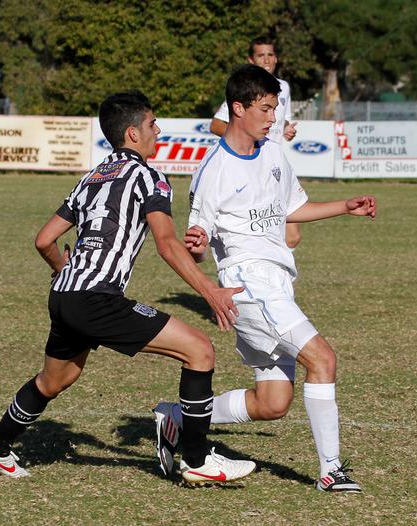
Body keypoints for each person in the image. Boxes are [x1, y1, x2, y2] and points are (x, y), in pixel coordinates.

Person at [0, 91, 256, 486]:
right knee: (200, 349)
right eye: (152, 123)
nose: (158, 130)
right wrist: (211, 291)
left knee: (54, 380)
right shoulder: (149, 177)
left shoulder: (92, 177)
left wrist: (63, 268)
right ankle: (196, 460)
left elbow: (44, 240)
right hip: (98, 299)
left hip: (64, 296)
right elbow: (167, 245)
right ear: (133, 133)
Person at [154, 64, 376, 493]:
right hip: (249, 285)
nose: (272, 117)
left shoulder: (272, 152)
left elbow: (291, 210)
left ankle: (177, 417)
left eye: (274, 108)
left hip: (277, 282)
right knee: (323, 360)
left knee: (274, 403)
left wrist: (344, 207)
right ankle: (332, 470)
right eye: (264, 109)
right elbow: (197, 243)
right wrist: (198, 243)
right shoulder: (213, 169)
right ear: (238, 108)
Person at [210, 36, 302, 250]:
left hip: (277, 163)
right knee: (269, 232)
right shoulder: (248, 91)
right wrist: (248, 138)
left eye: (270, 55)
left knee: (293, 236)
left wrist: (286, 128)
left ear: (276, 58)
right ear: (251, 60)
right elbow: (216, 125)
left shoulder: (284, 87)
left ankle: (277, 275)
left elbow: (281, 119)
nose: (267, 60)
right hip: (254, 165)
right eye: (261, 55)